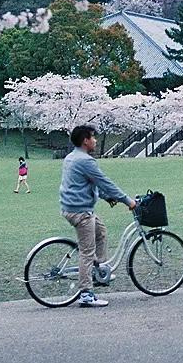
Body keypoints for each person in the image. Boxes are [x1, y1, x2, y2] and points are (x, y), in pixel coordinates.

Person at [59, 125, 136, 308]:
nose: (95, 140)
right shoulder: (85, 161)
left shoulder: (71, 157)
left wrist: (105, 197)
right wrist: (127, 201)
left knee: (100, 232)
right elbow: (104, 182)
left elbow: (87, 185)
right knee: (87, 252)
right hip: (81, 212)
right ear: (85, 140)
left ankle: (98, 270)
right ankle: (85, 293)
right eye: (93, 137)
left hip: (73, 208)